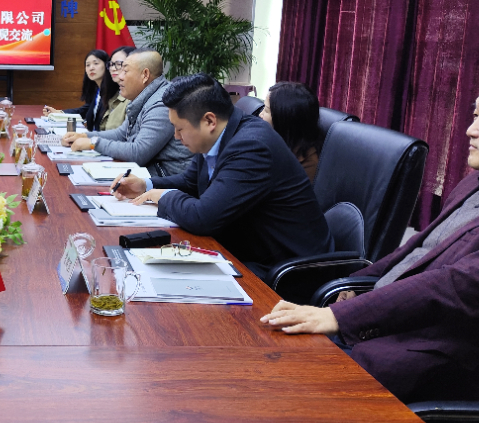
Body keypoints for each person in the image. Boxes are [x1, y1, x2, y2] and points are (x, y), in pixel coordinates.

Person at [261, 65, 479, 405]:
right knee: (253, 353)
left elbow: (453, 286)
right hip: (378, 327)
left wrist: (341, 316)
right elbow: (418, 248)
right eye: (474, 116)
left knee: (268, 388)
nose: (470, 130)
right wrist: (357, 286)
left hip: (427, 364)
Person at [112, 73, 331, 273]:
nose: (177, 137)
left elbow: (203, 218)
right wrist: (147, 185)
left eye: (180, 129)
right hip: (243, 250)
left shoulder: (251, 147)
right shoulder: (220, 133)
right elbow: (190, 182)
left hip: (284, 270)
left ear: (209, 121)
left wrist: (164, 197)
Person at [62, 49, 192, 176]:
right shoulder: (144, 96)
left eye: (125, 71)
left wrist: (93, 143)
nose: (120, 77)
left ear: (145, 75)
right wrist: (84, 136)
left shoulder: (162, 102)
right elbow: (121, 134)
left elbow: (138, 153)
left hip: (166, 179)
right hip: (146, 172)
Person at [259, 81, 323, 182]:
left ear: (283, 118)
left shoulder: (305, 166)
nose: (260, 114)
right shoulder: (274, 143)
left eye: (266, 110)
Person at [45, 49, 110, 130]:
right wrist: (58, 112)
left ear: (107, 65)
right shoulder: (97, 90)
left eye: (96, 63)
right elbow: (84, 110)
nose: (91, 68)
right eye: (88, 65)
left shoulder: (111, 92)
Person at [100, 45, 133, 131]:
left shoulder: (133, 97)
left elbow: (125, 135)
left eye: (118, 64)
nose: (113, 69)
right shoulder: (114, 94)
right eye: (111, 64)